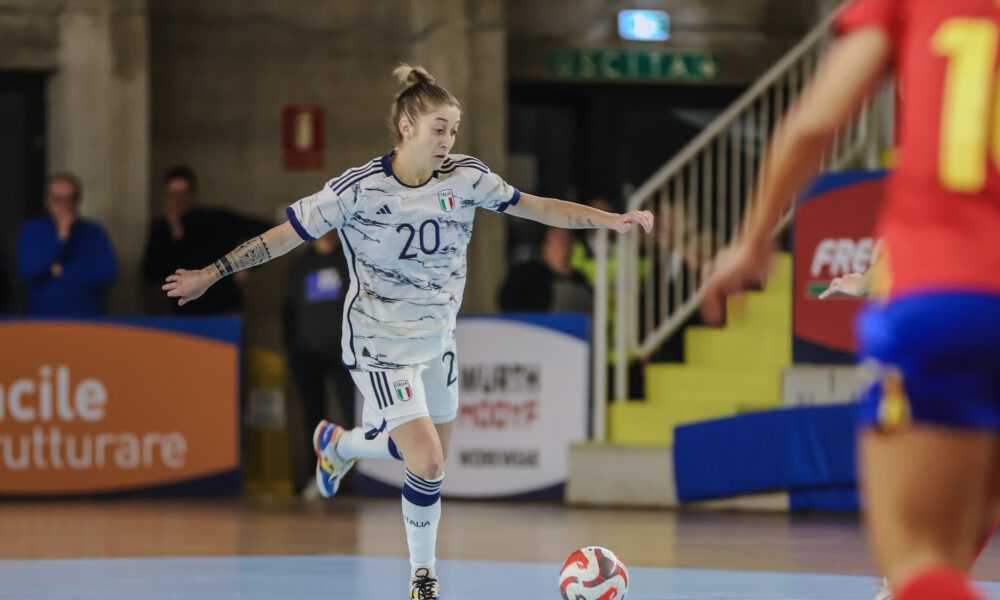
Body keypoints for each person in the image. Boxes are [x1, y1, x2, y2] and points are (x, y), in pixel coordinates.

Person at [162, 64, 653, 599]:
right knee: (427, 460)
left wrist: (609, 221)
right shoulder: (358, 190)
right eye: (438, 128)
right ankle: (424, 578)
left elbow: (536, 208)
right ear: (406, 127)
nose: (448, 140)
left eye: (454, 129)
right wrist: (211, 274)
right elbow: (283, 237)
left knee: (424, 457)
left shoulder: (467, 178)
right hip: (379, 346)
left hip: (437, 341)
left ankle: (341, 444)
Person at [700, 1, 1000, 598]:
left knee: (919, 563)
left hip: (951, 292)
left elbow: (816, 123)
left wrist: (751, 239)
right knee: (966, 532)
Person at [281, 230, 355, 494]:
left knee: (353, 413)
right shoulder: (301, 264)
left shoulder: (348, 257)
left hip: (344, 354)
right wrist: (292, 350)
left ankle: (358, 479)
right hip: (307, 354)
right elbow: (288, 310)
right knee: (315, 417)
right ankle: (319, 477)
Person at [141, 166, 270, 315]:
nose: (177, 201)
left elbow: (265, 231)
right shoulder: (160, 229)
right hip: (181, 310)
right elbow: (151, 273)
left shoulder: (217, 220)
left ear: (192, 194)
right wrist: (174, 229)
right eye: (172, 195)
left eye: (182, 194)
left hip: (222, 305)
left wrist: (247, 266)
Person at [18, 173, 117, 317]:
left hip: (88, 321)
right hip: (43, 321)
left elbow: (108, 273)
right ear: (47, 201)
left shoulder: (95, 231)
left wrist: (61, 271)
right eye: (58, 199)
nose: (66, 205)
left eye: (71, 199)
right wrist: (60, 239)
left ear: (78, 201)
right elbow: (29, 271)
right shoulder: (31, 230)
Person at [498, 226, 592, 313]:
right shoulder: (524, 275)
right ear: (544, 244)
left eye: (567, 236)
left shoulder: (580, 279)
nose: (563, 241)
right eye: (558, 236)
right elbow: (508, 306)